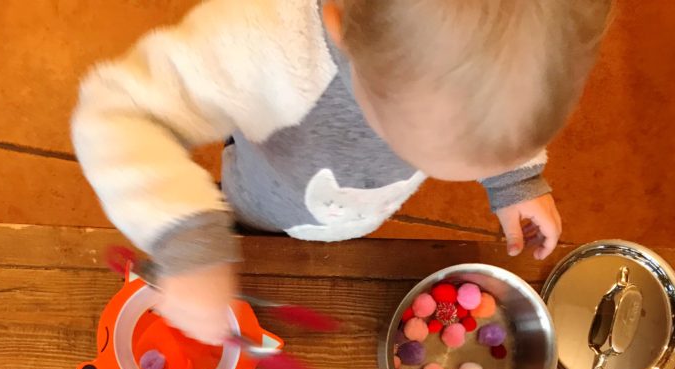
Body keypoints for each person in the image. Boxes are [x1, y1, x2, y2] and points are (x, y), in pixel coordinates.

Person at [72, 0, 613, 345]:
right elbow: (118, 111)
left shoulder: (478, 53)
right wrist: (189, 243)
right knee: (245, 224)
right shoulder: (260, 39)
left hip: (348, 217)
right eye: (415, 148)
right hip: (261, 200)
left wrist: (511, 178)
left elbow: (493, 103)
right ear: (340, 28)